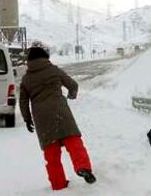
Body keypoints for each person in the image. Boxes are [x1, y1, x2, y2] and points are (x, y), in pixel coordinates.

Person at [20, 45, 96, 191]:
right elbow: (73, 85)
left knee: (51, 153)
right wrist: (71, 96)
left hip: (42, 117)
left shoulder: (26, 78)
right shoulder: (53, 70)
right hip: (60, 110)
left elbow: (23, 101)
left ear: (29, 61)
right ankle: (83, 167)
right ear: (45, 57)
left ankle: (58, 183)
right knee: (73, 142)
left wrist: (27, 119)